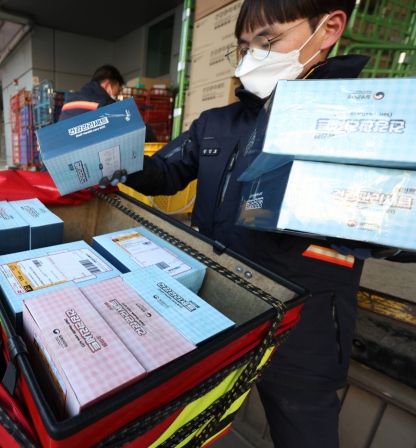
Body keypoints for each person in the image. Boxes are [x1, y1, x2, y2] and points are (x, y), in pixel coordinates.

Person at [122, 0, 415, 446]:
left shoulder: (366, 119)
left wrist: (373, 222)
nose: (252, 57)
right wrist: (120, 156)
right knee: (190, 427)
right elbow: (165, 173)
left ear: (329, 27)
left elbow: (403, 227)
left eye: (268, 40)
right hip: (217, 310)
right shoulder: (217, 123)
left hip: (306, 325)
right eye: (244, 47)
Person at [58, 65, 158, 142]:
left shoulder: (70, 99)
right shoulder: (103, 103)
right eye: (117, 91)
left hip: (52, 166)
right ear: (107, 85)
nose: (117, 95)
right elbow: (141, 130)